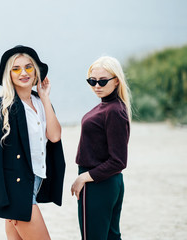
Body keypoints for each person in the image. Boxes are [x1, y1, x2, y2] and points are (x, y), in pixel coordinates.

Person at [0, 45, 66, 240]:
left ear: (36, 70)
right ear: (8, 75)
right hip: (15, 188)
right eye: (16, 69)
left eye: (28, 67)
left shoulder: (41, 102)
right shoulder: (0, 106)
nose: (23, 73)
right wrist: (0, 198)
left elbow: (54, 136)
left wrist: (45, 97)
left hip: (35, 181)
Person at [71, 56, 131, 240]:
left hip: (98, 183)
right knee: (112, 236)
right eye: (92, 81)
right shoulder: (110, 106)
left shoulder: (113, 110)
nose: (97, 85)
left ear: (116, 81)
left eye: (103, 81)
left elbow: (118, 161)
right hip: (108, 183)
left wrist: (83, 177)